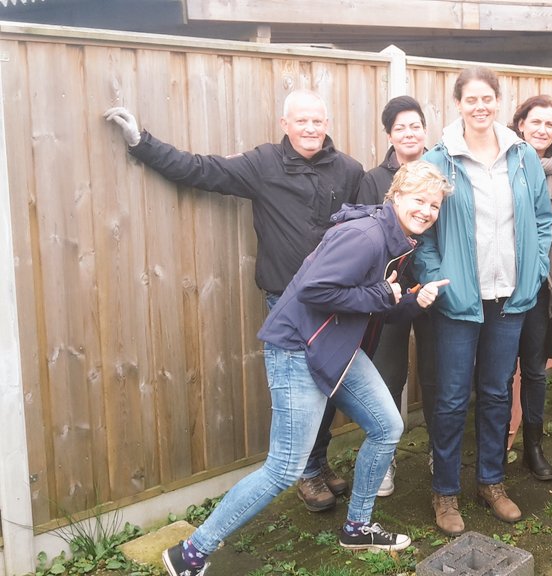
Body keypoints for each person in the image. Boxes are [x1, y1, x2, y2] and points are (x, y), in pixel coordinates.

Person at [160, 160, 453, 576]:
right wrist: (382, 294)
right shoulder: (366, 235)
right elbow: (318, 290)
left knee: (387, 427)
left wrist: (409, 301)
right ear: (396, 196)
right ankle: (190, 552)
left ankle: (357, 526)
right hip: (299, 349)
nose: (426, 210)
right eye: (419, 200)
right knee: (284, 468)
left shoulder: (396, 239)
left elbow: (370, 304)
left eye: (434, 205)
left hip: (337, 348)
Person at [104, 91, 364, 512]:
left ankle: (316, 461)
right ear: (285, 123)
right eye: (302, 121)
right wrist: (141, 142)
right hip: (287, 302)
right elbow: (202, 170)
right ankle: (306, 472)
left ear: (327, 122)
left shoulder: (349, 170)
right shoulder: (263, 164)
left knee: (329, 385)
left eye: (317, 121)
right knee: (301, 392)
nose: (311, 128)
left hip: (337, 301)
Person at [414, 66, 552, 536]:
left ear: (498, 101)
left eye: (487, 99)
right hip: (460, 302)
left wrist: (533, 273)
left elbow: (542, 218)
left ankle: (491, 482)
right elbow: (423, 231)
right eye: (471, 99)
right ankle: (446, 491)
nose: (480, 106)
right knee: (452, 400)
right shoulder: (440, 159)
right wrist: (438, 279)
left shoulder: (522, 156)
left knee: (497, 394)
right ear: (458, 104)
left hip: (510, 299)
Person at [354, 95, 434, 497]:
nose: (409, 133)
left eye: (415, 125)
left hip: (434, 286)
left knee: (439, 372)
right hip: (392, 294)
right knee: (388, 374)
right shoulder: (373, 179)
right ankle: (385, 460)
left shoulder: (440, 171)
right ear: (390, 135)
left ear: (425, 130)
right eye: (400, 127)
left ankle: (441, 450)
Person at [507, 95, 552, 481]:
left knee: (533, 370)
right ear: (521, 124)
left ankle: (534, 445)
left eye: (550, 124)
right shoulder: (504, 164)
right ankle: (496, 441)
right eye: (536, 122)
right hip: (502, 286)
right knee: (498, 371)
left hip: (544, 286)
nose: (542, 130)